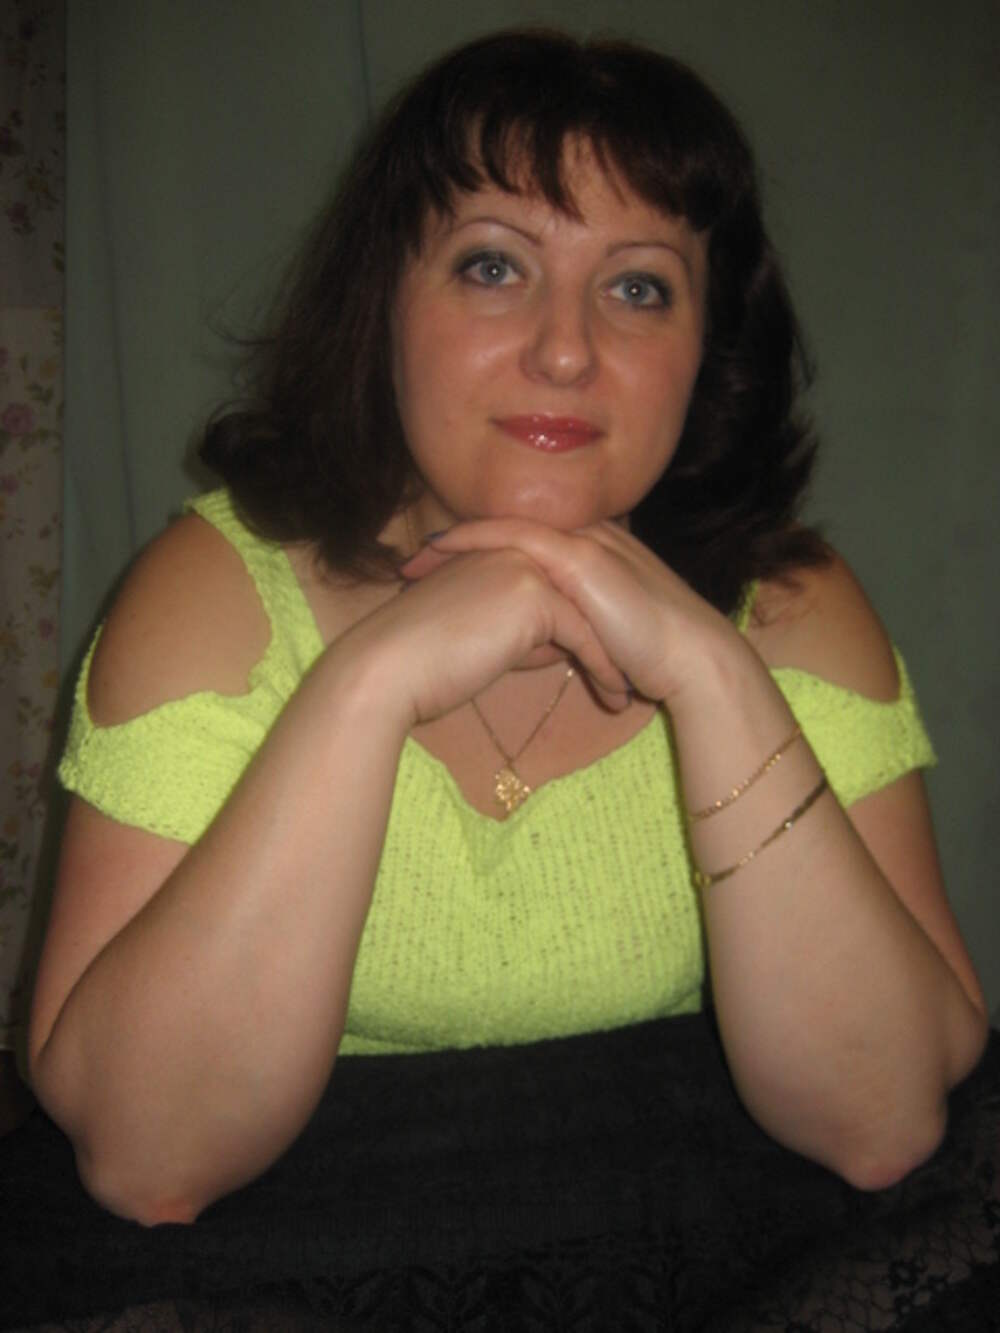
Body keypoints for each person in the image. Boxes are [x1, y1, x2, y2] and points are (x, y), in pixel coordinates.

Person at [25, 28, 987, 1239]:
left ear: (706, 351)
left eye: (638, 287)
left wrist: (710, 672)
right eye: (493, 266)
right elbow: (150, 1160)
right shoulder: (209, 597)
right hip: (298, 1253)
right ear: (383, 303)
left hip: (687, 1244)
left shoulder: (794, 604)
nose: (566, 348)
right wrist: (371, 682)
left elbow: (879, 1123)